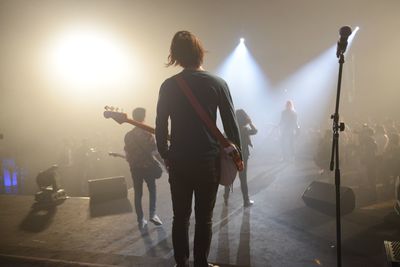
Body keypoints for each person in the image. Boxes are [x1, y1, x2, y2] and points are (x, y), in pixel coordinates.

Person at [155, 31, 241, 267]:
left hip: (179, 161)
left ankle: (180, 263)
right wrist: (237, 158)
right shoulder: (218, 83)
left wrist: (166, 154)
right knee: (204, 219)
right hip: (208, 162)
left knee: (180, 217)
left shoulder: (169, 86)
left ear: (176, 56)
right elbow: (232, 127)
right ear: (199, 53)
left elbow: (160, 126)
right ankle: (201, 264)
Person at [124, 107, 163, 229]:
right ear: (143, 117)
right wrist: (164, 164)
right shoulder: (148, 134)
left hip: (135, 169)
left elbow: (127, 154)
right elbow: (155, 153)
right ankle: (153, 214)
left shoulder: (128, 136)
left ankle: (140, 219)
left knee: (138, 194)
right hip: (148, 167)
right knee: (152, 190)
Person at [224, 109, 256, 207]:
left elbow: (224, 140)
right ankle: (246, 201)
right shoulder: (244, 129)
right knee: (243, 178)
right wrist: (250, 122)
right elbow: (255, 131)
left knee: (229, 177)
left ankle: (226, 196)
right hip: (243, 156)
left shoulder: (229, 128)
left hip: (232, 156)